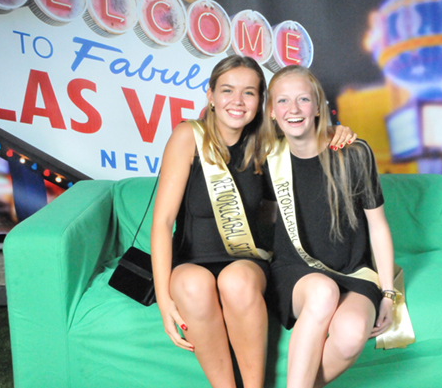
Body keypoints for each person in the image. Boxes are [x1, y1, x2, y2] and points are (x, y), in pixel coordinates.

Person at [150, 55, 355, 388]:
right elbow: (162, 223)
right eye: (227, 90)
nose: (237, 101)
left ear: (260, 101)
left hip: (246, 260)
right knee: (192, 285)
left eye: (249, 92)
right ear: (210, 95)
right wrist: (164, 301)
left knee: (237, 281)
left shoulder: (265, 143)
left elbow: (305, 135)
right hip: (191, 260)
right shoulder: (188, 136)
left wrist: (333, 131)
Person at [263, 65, 397, 388]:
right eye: (283, 101)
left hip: (353, 271)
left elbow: (378, 226)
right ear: (271, 111)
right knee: (323, 292)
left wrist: (389, 293)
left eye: (303, 99)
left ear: (318, 106)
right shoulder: (266, 158)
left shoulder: (353, 153)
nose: (293, 109)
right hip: (295, 272)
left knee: (351, 335)